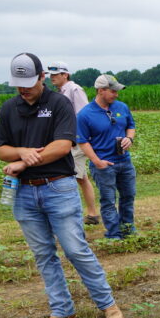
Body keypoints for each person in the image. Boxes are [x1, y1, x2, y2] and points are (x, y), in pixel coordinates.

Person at [0, 53, 124, 318]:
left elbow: (63, 146)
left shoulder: (59, 103)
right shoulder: (8, 108)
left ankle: (108, 304)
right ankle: (62, 311)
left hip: (59, 187)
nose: (23, 88)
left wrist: (23, 161)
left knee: (76, 249)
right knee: (43, 254)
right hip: (24, 193)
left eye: (29, 81)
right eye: (19, 83)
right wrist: (20, 153)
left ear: (42, 77)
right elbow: (1, 150)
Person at [77, 74, 137, 240]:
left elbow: (131, 126)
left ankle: (127, 228)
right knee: (108, 200)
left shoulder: (122, 107)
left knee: (128, 196)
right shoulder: (85, 114)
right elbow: (82, 141)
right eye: (113, 91)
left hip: (124, 161)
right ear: (101, 91)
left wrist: (129, 138)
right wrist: (97, 162)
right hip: (104, 164)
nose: (116, 94)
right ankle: (114, 233)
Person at [48, 61, 100, 226]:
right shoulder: (61, 92)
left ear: (65, 75)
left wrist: (75, 138)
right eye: (51, 75)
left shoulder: (74, 90)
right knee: (80, 177)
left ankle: (84, 214)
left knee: (73, 176)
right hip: (66, 140)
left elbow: (83, 115)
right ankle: (91, 213)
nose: (52, 78)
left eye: (56, 75)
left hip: (76, 141)